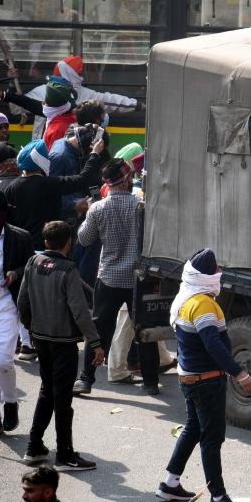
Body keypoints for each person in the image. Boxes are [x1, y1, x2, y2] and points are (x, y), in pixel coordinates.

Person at [157, 248, 251, 502]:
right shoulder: (203, 304)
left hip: (188, 378)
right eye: (216, 269)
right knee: (212, 439)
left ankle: (170, 483)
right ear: (206, 275)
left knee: (193, 428)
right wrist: (240, 373)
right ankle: (218, 496)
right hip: (206, 382)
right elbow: (212, 343)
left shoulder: (185, 298)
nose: (219, 273)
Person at [17, 221, 104, 470]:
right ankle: (65, 454)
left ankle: (34, 447)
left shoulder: (32, 263)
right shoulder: (68, 270)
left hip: (41, 339)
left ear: (46, 243)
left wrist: (31, 328)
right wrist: (95, 342)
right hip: (63, 342)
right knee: (62, 399)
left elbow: (23, 301)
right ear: (69, 243)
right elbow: (80, 312)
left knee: (47, 390)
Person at [73, 158, 159, 394]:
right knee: (144, 330)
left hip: (109, 278)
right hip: (138, 279)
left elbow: (83, 239)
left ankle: (86, 379)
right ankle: (151, 383)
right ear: (127, 179)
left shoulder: (98, 208)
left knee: (99, 330)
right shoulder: (141, 205)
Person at [0, 190, 32, 438]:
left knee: (1, 360)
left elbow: (31, 265)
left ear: (2, 213)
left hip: (4, 306)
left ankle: (11, 401)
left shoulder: (19, 238)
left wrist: (16, 272)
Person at [5, 139, 104, 250]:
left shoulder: (11, 187)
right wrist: (94, 154)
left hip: (21, 248)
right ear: (41, 161)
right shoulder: (48, 184)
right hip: (45, 248)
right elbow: (82, 180)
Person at [25, 55, 142, 115]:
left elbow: (111, 100)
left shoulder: (83, 93)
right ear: (72, 73)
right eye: (79, 72)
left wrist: (137, 105)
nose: (82, 75)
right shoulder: (42, 92)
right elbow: (15, 108)